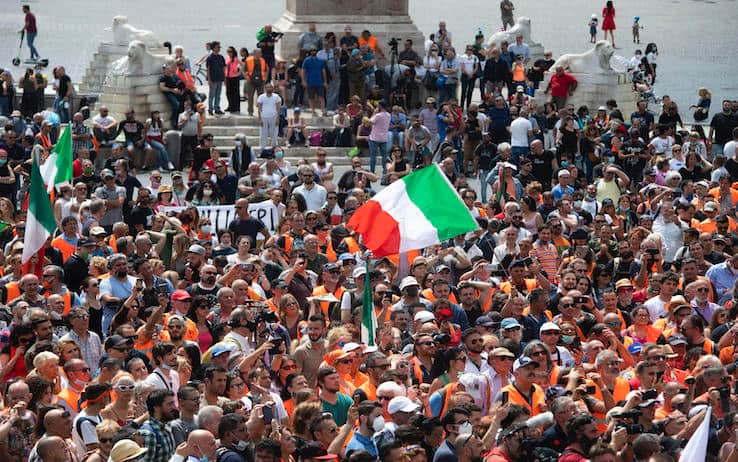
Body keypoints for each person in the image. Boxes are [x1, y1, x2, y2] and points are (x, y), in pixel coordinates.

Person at [206, 41, 226, 115]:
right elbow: (208, 69)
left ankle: (217, 108)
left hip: (220, 79)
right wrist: (209, 80)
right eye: (218, 47)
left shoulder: (221, 57)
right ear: (213, 48)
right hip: (213, 79)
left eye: (219, 47)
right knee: (212, 95)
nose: (219, 48)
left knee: (218, 95)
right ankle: (210, 109)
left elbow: (223, 68)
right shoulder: (210, 57)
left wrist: (224, 78)